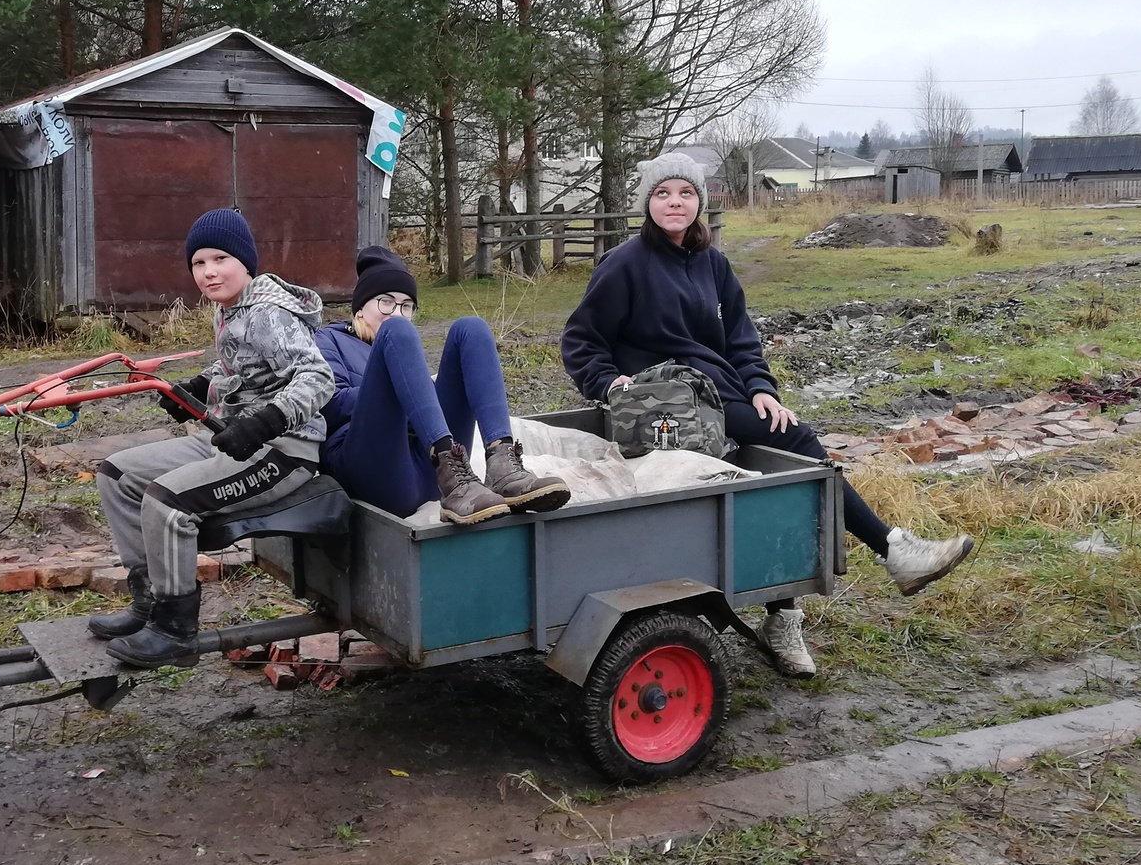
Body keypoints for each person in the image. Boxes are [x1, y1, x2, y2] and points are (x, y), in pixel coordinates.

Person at [561, 153, 975, 676]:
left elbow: (741, 339)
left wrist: (761, 389)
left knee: (783, 453)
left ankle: (786, 614)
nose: (675, 203)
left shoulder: (713, 265)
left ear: (700, 202)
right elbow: (580, 340)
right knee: (799, 444)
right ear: (647, 201)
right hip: (669, 405)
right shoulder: (625, 264)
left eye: (685, 194)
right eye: (663, 193)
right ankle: (891, 550)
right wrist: (610, 383)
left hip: (723, 399)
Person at [89, 209, 336, 669]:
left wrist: (267, 421)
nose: (209, 272)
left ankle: (175, 630)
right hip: (230, 437)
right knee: (118, 475)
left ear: (245, 261)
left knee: (166, 503)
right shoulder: (229, 310)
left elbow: (319, 378)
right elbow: (236, 367)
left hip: (283, 449)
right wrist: (198, 385)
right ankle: (148, 604)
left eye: (220, 258)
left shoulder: (267, 313)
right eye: (199, 263)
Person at [315, 248, 570, 524]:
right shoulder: (328, 340)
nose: (397, 313)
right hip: (373, 471)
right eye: (386, 302)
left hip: (432, 474)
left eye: (406, 306)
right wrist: (396, 395)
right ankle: (450, 467)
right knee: (397, 333)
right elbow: (327, 405)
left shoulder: (401, 342)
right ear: (361, 307)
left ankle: (502, 464)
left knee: (470, 328)